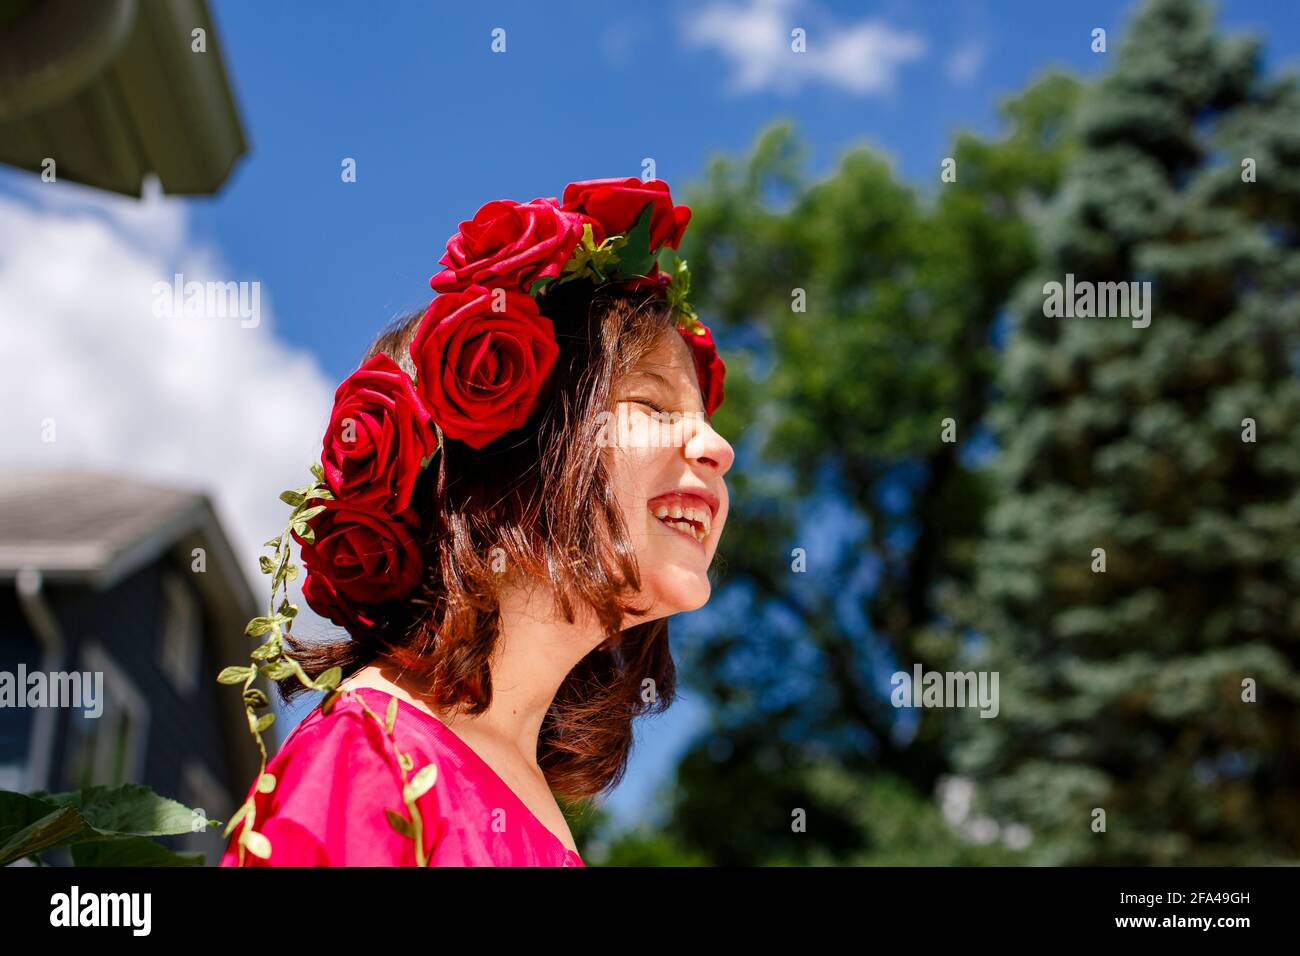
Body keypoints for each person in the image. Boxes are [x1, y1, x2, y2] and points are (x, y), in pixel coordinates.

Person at [219, 177, 733, 866]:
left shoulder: (531, 800)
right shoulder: (370, 757)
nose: (719, 449)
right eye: (653, 404)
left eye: (704, 419)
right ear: (508, 455)